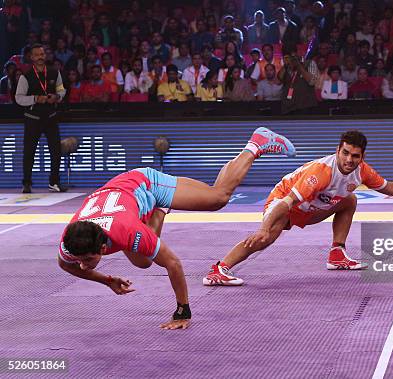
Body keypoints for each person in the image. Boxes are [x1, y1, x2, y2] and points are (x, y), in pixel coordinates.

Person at [58, 128, 297, 330]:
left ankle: (257, 143)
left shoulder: (127, 231)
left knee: (218, 198)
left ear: (102, 247)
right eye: (80, 259)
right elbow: (67, 266)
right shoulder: (70, 242)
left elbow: (173, 263)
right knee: (142, 262)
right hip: (122, 202)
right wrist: (106, 279)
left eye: (88, 259)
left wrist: (182, 311)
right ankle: (159, 210)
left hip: (145, 184)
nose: (83, 265)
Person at [204, 130, 393, 285]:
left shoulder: (362, 171)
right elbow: (287, 203)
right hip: (284, 202)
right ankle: (220, 268)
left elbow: (389, 188)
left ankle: (337, 253)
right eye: (345, 153)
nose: (349, 160)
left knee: (349, 200)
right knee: (266, 238)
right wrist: (264, 227)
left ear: (362, 156)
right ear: (338, 150)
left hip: (311, 208)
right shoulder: (321, 173)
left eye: (355, 156)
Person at [14, 44, 67, 193]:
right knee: (29, 152)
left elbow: (62, 90)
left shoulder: (54, 72)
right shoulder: (26, 76)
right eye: (37, 55)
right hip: (32, 118)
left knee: (56, 151)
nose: (40, 57)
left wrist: (57, 97)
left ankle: (54, 182)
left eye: (42, 54)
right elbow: (18, 98)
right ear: (31, 57)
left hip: (50, 117)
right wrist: (35, 98)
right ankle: (27, 183)